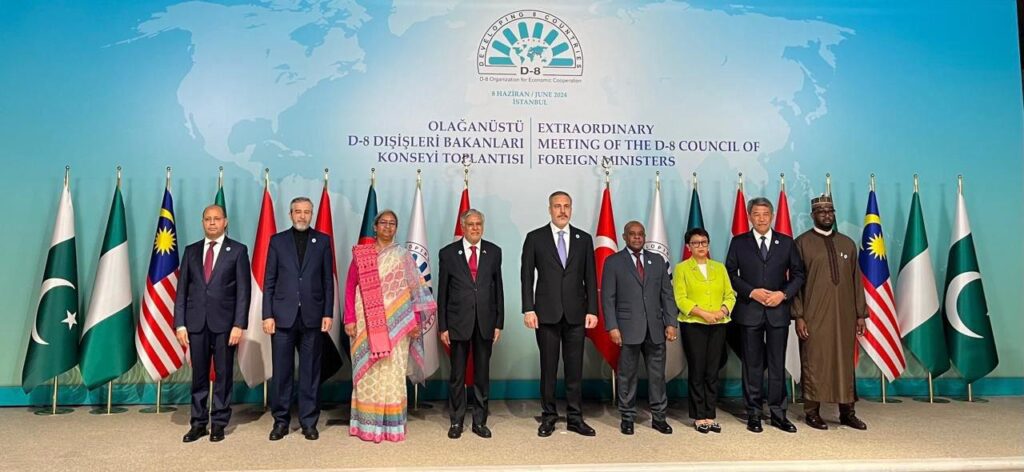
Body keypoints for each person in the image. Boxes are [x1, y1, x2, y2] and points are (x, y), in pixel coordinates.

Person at [344, 210, 435, 443]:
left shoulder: (404, 256)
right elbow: (350, 286)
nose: (387, 226)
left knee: (393, 374)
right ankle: (366, 425)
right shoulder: (362, 255)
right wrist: (350, 319)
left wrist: (414, 323)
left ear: (396, 228)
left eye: (392, 223)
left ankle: (391, 427)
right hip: (365, 323)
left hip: (398, 325)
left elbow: (416, 291)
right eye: (383, 223)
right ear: (375, 227)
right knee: (367, 373)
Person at [521, 191, 598, 437]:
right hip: (546, 314)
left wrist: (592, 310)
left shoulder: (584, 239)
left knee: (575, 370)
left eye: (566, 206)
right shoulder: (535, 238)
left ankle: (575, 417)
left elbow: (590, 277)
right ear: (550, 209)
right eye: (557, 206)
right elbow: (526, 276)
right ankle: (549, 417)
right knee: (548, 369)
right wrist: (528, 308)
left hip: (576, 314)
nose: (562, 210)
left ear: (571, 209)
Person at [725, 196, 805, 433]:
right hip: (749, 312)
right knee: (752, 365)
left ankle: (779, 413)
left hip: (778, 312)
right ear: (749, 216)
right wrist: (751, 292)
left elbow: (799, 274)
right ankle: (754, 413)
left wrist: (783, 294)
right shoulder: (739, 242)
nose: (761, 219)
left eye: (765, 214)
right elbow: (730, 273)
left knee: (777, 364)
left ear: (772, 216)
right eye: (756, 214)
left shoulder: (786, 242)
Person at [174, 204, 251, 443]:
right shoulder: (191, 251)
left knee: (223, 375)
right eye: (208, 219)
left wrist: (239, 324)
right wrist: (180, 324)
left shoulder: (237, 250)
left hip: (225, 326)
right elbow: (182, 290)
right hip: (196, 324)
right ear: (202, 222)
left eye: (217, 219)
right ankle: (197, 424)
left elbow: (243, 291)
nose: (212, 222)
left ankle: (218, 423)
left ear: (225, 222)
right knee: (198, 376)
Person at [793, 195, 869, 430]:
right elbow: (795, 282)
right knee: (815, 361)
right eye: (821, 211)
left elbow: (856, 281)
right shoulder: (801, 243)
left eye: (830, 211)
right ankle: (812, 412)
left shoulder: (847, 243)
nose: (826, 215)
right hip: (814, 315)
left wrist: (860, 314)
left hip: (845, 316)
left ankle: (847, 412)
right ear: (813, 215)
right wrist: (799, 316)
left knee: (844, 362)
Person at [262, 197, 334, 441]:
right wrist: (267, 314)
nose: (302, 216)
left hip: (313, 317)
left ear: (312, 214)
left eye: (306, 212)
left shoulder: (322, 241)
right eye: (298, 212)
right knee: (282, 372)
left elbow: (327, 281)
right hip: (282, 317)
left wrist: (328, 312)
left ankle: (308, 422)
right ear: (290, 214)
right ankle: (280, 422)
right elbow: (269, 280)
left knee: (310, 372)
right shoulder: (277, 241)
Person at [602, 221, 678, 436]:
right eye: (632, 234)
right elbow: (607, 298)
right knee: (627, 375)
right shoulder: (613, 262)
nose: (637, 237)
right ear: (624, 237)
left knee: (657, 376)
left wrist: (671, 323)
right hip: (627, 329)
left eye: (640, 234)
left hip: (655, 328)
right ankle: (627, 417)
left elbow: (667, 295)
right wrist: (612, 327)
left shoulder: (657, 260)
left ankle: (659, 417)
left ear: (645, 237)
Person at [437, 209, 504, 439]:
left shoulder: (494, 252)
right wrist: (443, 326)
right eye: (471, 224)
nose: (475, 228)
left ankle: (479, 422)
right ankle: (456, 421)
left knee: (481, 375)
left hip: (485, 322)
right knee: (457, 375)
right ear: (463, 227)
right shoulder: (448, 253)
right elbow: (443, 292)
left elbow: (498, 289)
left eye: (478, 224)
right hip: (458, 322)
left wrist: (498, 322)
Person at [673, 227, 735, 434]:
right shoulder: (682, 268)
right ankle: (699, 416)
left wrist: (722, 311)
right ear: (688, 246)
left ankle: (710, 414)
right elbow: (681, 298)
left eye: (704, 242)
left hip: (719, 324)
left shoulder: (719, 268)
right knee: (697, 370)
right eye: (696, 243)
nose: (700, 246)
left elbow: (730, 295)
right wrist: (703, 314)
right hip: (694, 325)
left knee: (712, 370)